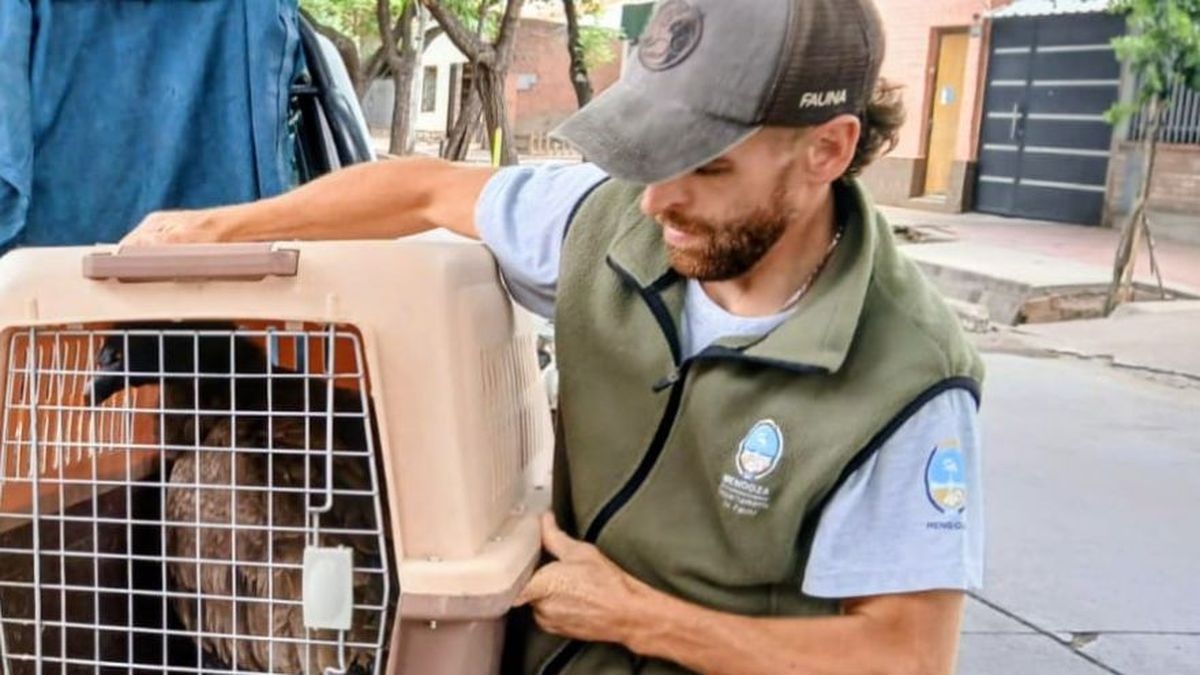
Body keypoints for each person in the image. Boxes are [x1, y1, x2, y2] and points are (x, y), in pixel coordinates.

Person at [123, 0, 985, 672]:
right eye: (649, 157)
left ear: (827, 151)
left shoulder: (905, 379)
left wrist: (639, 616)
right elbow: (420, 190)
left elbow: (902, 655)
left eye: (709, 166)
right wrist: (220, 230)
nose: (655, 202)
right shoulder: (610, 224)